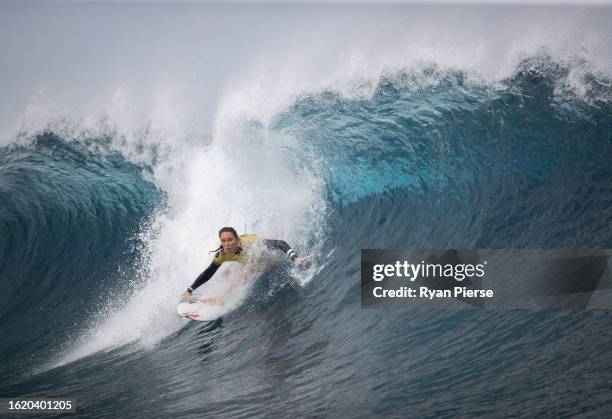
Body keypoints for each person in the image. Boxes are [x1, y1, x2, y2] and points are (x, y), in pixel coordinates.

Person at [181, 226, 310, 299]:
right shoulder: (223, 253)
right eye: (223, 240)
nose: (227, 244)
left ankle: (222, 297)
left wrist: (295, 258)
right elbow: (208, 273)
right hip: (246, 260)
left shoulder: (251, 245)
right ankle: (210, 293)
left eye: (230, 240)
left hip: (270, 261)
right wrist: (190, 290)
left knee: (245, 269)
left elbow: (280, 244)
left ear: (237, 239)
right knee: (225, 273)